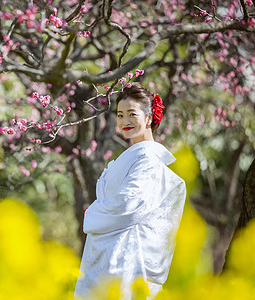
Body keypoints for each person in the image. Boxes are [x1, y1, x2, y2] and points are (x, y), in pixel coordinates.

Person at [74, 83, 187, 300]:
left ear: (148, 118)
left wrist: (92, 213)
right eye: (120, 115)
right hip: (111, 256)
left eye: (132, 114)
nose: (125, 121)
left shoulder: (147, 159)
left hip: (123, 261)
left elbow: (128, 206)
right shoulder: (134, 156)